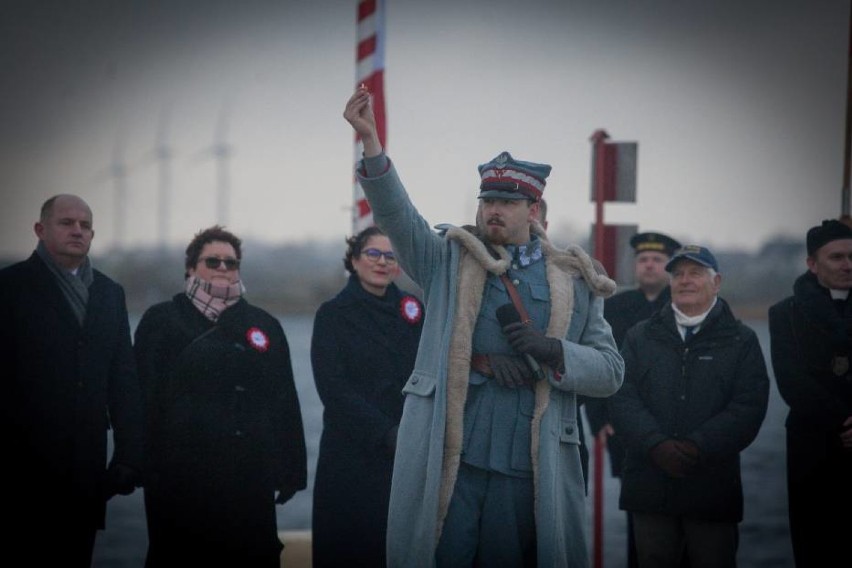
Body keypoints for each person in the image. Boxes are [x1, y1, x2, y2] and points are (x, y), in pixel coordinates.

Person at [344, 86, 624, 567]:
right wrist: (371, 143)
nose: (494, 208)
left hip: (527, 465)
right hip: (455, 455)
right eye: (488, 198)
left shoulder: (574, 280)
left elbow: (610, 371)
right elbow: (397, 217)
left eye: (508, 201)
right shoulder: (448, 260)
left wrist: (554, 351)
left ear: (533, 211)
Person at [133, 225, 307, 567]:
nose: (224, 268)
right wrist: (139, 462)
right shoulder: (161, 320)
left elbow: (284, 399)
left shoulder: (263, 323)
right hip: (180, 477)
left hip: (249, 475)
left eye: (231, 262)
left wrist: (291, 470)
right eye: (213, 261)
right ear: (191, 267)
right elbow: (141, 396)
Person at [0, 194, 145, 567]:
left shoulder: (109, 293)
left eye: (85, 225)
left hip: (86, 470)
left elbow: (123, 378)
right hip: (20, 471)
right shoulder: (10, 287)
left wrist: (129, 455)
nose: (77, 231)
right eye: (66, 223)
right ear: (40, 229)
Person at [609, 245, 769, 567]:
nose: (685, 280)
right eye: (678, 274)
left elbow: (748, 406)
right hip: (649, 485)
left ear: (717, 281)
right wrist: (656, 445)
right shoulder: (640, 336)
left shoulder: (741, 340)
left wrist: (697, 447)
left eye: (695, 273)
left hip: (712, 487)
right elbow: (621, 395)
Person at [310, 226, 424, 567]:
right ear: (355, 260)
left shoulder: (414, 310)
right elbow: (333, 389)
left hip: (406, 457)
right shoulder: (333, 315)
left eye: (390, 256)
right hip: (351, 457)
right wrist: (386, 434)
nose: (382, 262)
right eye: (373, 254)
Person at [585, 231, 681, 567]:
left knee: (686, 527)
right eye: (643, 260)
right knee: (639, 530)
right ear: (634, 266)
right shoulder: (616, 307)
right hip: (627, 433)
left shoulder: (685, 304)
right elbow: (597, 360)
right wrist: (601, 420)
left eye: (657, 259)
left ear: (670, 265)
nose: (650, 265)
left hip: (680, 431)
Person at [768, 219, 852, 567]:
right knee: (816, 546)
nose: (847, 265)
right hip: (812, 446)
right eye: (836, 257)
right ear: (812, 264)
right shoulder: (785, 314)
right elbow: (792, 382)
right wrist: (843, 422)